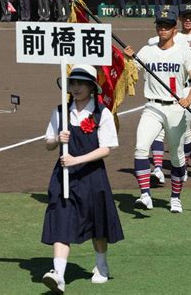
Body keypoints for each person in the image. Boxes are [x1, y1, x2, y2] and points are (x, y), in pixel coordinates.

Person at [41, 65, 124, 293]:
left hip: (93, 177)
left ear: (91, 87)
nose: (75, 88)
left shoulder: (102, 112)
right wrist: (58, 139)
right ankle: (58, 274)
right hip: (64, 177)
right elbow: (48, 144)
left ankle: (101, 265)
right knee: (61, 219)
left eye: (81, 84)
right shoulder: (60, 111)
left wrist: (77, 160)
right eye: (72, 83)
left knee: (97, 224)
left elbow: (106, 148)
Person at [125, 9, 191, 213]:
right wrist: (128, 59)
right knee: (141, 148)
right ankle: (145, 195)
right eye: (160, 25)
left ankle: (175, 197)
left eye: (167, 26)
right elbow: (130, 73)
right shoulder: (147, 51)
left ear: (174, 29)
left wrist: (189, 99)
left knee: (177, 157)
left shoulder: (183, 51)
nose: (163, 29)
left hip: (175, 108)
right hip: (152, 106)